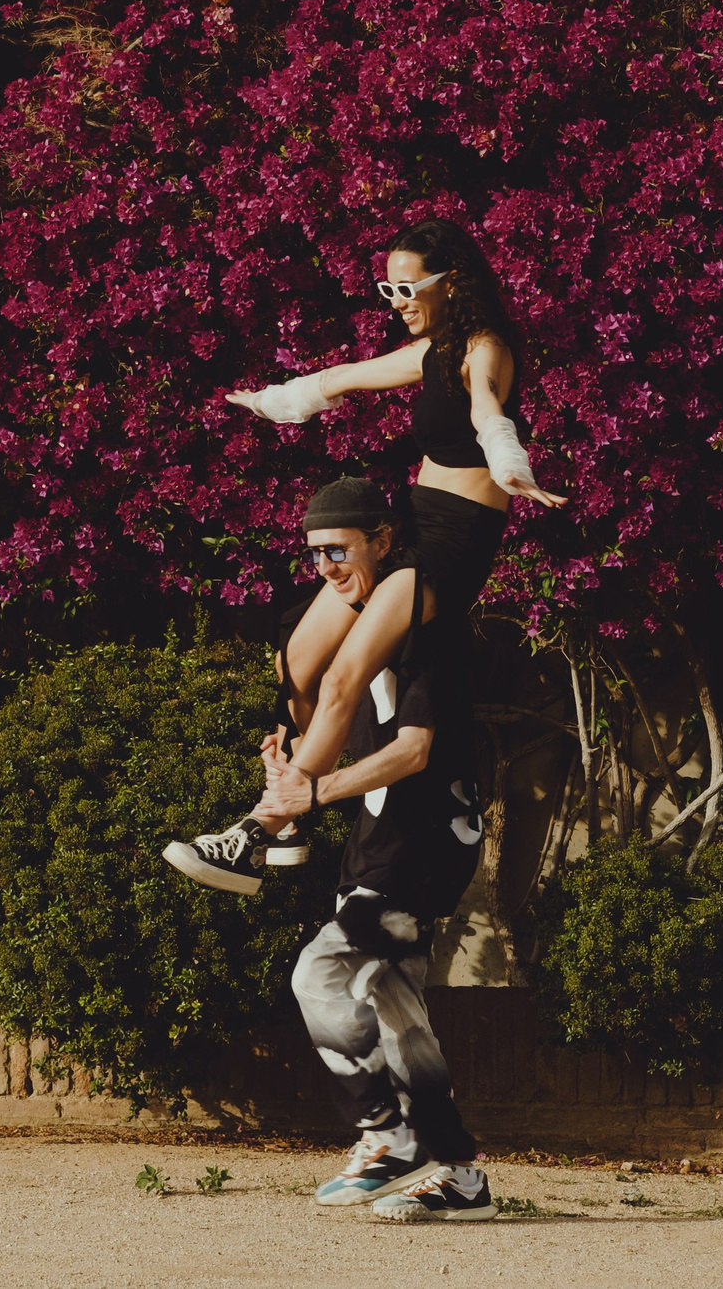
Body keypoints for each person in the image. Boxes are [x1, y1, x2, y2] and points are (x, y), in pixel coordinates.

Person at [162, 218, 562, 896]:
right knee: (301, 659)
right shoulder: (433, 350)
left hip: (454, 539)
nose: (396, 299)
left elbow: (491, 411)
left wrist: (509, 462)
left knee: (348, 672)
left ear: (451, 282)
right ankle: (293, 824)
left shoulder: (483, 347)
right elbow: (345, 377)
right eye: (388, 287)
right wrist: (276, 401)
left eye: (409, 287)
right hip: (409, 518)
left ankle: (255, 833)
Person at [249, 478, 496, 1219]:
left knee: (320, 975)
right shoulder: (320, 629)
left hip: (423, 839)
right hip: (376, 837)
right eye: (315, 552)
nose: (325, 564)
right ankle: (461, 1177)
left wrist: (313, 795)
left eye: (340, 548)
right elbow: (321, 726)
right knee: (396, 1008)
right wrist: (290, 768)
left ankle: (386, 1134)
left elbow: (414, 751)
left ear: (384, 542)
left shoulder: (428, 626)